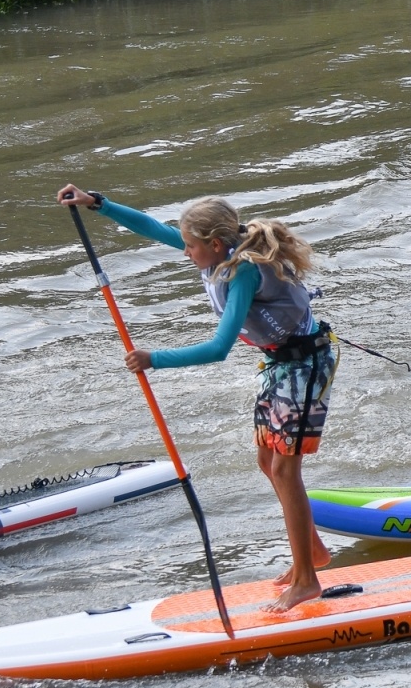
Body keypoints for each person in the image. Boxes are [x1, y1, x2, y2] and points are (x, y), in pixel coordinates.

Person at [57, 184, 337, 611]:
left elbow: (218, 348)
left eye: (189, 246)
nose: (184, 252)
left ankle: (306, 580)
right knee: (268, 461)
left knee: (284, 469)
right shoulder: (218, 252)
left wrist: (155, 359)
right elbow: (153, 228)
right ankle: (312, 552)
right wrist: (98, 204)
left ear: (215, 244)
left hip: (305, 365)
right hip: (279, 363)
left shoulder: (242, 272)